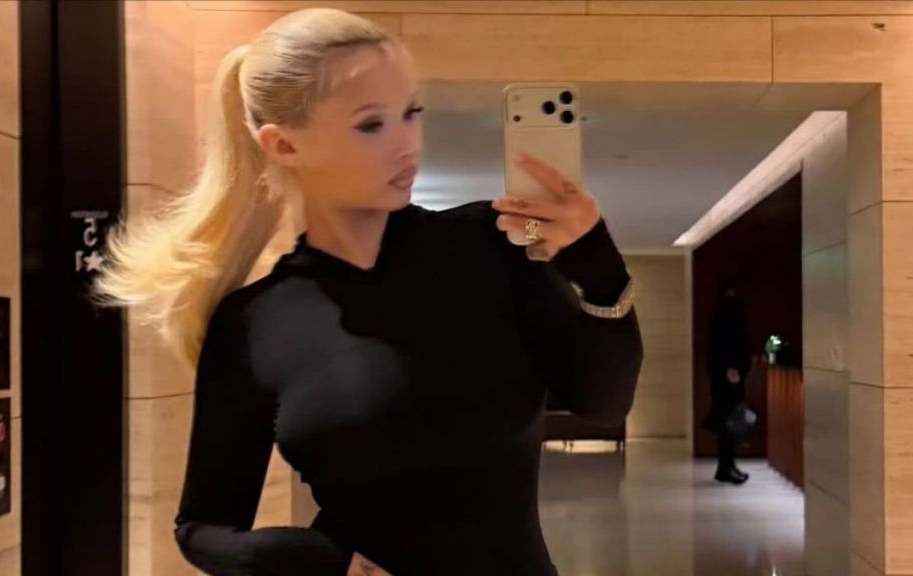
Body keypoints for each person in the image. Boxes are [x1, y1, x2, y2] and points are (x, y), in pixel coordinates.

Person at [93, 8, 643, 576]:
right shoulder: (252, 322)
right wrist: (312, 559)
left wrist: (599, 269)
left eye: (411, 113)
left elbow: (603, 403)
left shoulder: (489, 247)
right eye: (372, 125)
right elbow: (200, 528)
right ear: (283, 145)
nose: (407, 143)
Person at [703, 282, 753, 485]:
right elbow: (727, 345)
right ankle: (726, 466)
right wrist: (731, 367)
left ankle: (727, 465)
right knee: (728, 423)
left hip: (726, 376)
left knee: (729, 422)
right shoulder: (726, 317)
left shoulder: (722, 315)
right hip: (729, 377)